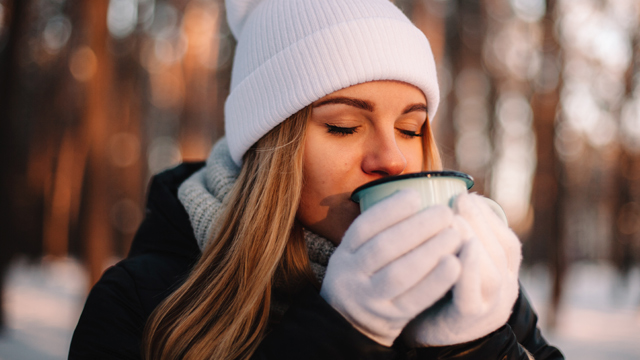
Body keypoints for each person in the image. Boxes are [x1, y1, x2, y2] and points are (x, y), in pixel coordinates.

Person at [69, 0, 565, 359]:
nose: (392, 159)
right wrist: (343, 335)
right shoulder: (142, 302)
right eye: (344, 126)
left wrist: (478, 345)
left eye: (410, 128)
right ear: (269, 148)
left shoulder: (475, 286)